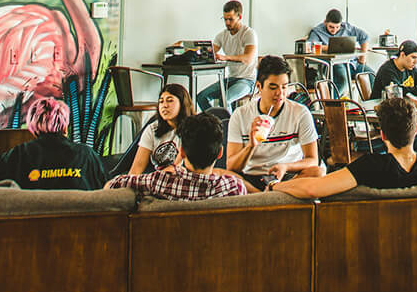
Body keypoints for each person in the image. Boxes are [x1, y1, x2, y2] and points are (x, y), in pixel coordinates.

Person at [274, 97, 417, 197]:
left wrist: (277, 186)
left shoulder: (370, 167)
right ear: (415, 130)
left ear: (382, 134)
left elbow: (313, 189)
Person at [225, 54, 324, 190]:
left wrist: (286, 166)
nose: (280, 93)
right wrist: (251, 146)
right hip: (252, 176)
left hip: (286, 176)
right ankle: (267, 194)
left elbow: (313, 159)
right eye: (273, 87)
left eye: (284, 87)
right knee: (221, 174)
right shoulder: (240, 115)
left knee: (318, 172)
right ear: (259, 87)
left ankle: (269, 193)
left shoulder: (300, 112)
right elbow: (231, 166)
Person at [0, 97, 106, 190]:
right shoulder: (86, 154)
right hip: (83, 226)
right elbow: (107, 188)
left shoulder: (18, 154)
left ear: (33, 127)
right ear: (65, 126)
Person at [107, 112, 245, 200]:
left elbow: (112, 185)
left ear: (182, 152)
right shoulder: (234, 187)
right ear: (220, 153)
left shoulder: (159, 181)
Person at [197, 0, 258, 110]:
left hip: (248, 80)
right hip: (230, 79)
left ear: (239, 17)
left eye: (230, 19)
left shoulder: (248, 33)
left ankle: (228, 127)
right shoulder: (222, 36)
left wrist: (225, 57)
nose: (227, 23)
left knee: (224, 100)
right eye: (225, 19)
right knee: (201, 97)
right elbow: (209, 52)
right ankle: (215, 123)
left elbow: (248, 58)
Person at [128, 83, 193, 174]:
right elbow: (136, 169)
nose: (164, 105)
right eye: (161, 101)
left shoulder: (193, 128)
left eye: (170, 101)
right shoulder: (152, 129)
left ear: (182, 104)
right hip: (158, 180)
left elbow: (177, 167)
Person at [307, 8, 369, 93]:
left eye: (337, 27)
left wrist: (363, 58)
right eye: (331, 27)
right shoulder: (317, 31)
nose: (334, 30)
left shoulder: (347, 27)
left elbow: (364, 37)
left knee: (371, 75)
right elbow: (310, 46)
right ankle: (331, 105)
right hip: (335, 63)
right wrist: (330, 47)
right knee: (343, 82)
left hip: (352, 63)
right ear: (325, 22)